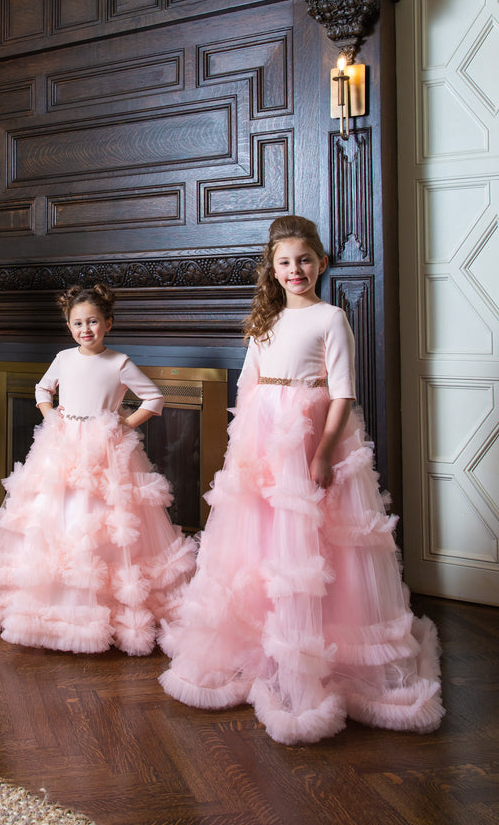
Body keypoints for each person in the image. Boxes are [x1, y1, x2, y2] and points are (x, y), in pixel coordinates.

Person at [159, 215, 444, 744]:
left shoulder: (331, 317)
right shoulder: (263, 322)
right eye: (285, 263)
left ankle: (315, 645)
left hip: (310, 433)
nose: (296, 270)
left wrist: (324, 452)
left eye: (305, 260)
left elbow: (342, 393)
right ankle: (264, 645)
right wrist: (242, 452)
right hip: (263, 438)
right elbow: (247, 386)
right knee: (262, 541)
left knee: (315, 542)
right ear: (272, 268)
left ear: (322, 263)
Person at [0, 283, 196, 655]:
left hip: (102, 451)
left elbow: (155, 397)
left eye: (93, 322)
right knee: (55, 515)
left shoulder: (119, 362)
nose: (85, 329)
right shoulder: (63, 358)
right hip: (61, 445)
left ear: (108, 323)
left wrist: (123, 424)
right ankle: (49, 603)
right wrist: (50, 416)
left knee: (97, 517)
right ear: (69, 325)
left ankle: (94, 605)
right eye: (77, 323)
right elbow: (43, 390)